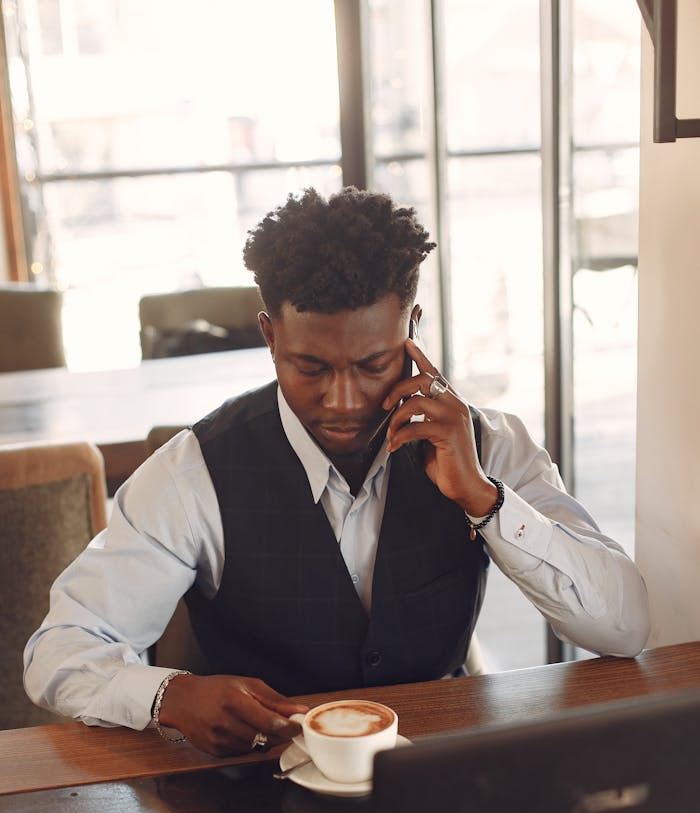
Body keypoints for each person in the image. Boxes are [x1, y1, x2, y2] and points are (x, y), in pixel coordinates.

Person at [24, 186, 650, 756]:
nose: (345, 401)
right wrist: (167, 694)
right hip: (252, 793)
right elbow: (58, 651)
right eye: (312, 368)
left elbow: (624, 627)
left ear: (413, 327)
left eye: (374, 364)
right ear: (270, 336)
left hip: (442, 773)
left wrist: (486, 500)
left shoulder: (491, 445)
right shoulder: (193, 474)